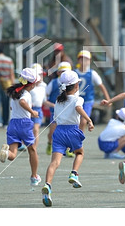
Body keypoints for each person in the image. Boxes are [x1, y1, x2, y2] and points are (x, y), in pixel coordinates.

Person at [41, 70, 94, 207]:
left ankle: (48, 185)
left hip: (58, 132)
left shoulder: (58, 100)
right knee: (80, 153)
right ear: (76, 85)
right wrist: (88, 120)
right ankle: (74, 174)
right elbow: (78, 108)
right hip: (72, 130)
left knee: (55, 162)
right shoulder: (79, 99)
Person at [0, 68, 42, 187]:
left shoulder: (14, 93)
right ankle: (34, 176)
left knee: (12, 154)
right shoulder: (26, 94)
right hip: (24, 124)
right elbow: (22, 102)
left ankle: (6, 153)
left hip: (12, 124)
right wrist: (32, 111)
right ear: (32, 84)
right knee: (32, 150)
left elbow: (13, 108)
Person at [45, 61, 72, 156]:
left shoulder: (72, 83)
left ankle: (68, 149)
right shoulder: (53, 83)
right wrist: (51, 104)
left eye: (67, 71)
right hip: (55, 111)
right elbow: (45, 96)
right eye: (63, 71)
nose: (65, 73)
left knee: (68, 130)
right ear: (58, 72)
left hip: (67, 111)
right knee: (52, 131)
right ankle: (49, 143)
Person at [75, 50, 110, 116]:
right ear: (78, 60)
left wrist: (108, 99)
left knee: (84, 121)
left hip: (87, 100)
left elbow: (101, 86)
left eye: (86, 60)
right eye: (82, 59)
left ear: (89, 61)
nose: (84, 62)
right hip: (75, 100)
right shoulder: (74, 73)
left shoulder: (92, 73)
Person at [29, 64, 54, 149]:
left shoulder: (44, 86)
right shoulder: (28, 86)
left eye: (41, 75)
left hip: (38, 110)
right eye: (38, 75)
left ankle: (34, 149)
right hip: (27, 110)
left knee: (36, 129)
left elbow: (44, 101)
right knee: (26, 130)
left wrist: (55, 105)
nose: (40, 77)